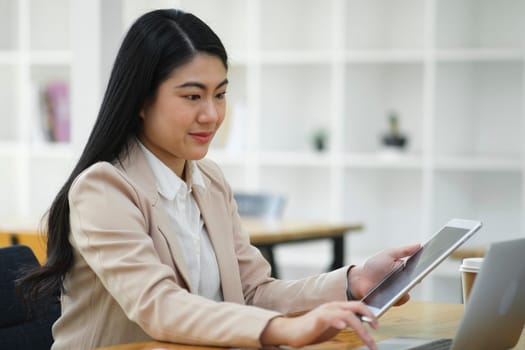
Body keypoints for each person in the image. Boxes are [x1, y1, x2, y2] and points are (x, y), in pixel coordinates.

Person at [18, 9, 420, 350]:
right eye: (192, 96)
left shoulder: (208, 180)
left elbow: (252, 293)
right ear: (141, 100)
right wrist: (283, 330)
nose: (211, 115)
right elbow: (160, 306)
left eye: (220, 94)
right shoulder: (103, 188)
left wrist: (353, 282)